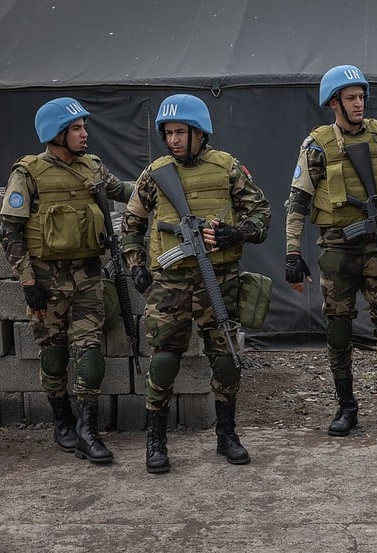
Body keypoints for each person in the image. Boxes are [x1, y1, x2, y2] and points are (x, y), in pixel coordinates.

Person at [121, 94, 270, 473]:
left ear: (199, 133)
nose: (173, 140)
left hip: (218, 281)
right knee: (165, 359)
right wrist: (137, 265)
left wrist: (234, 234)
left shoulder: (228, 169)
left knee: (225, 360)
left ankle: (227, 435)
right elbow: (131, 225)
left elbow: (262, 217)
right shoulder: (155, 173)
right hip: (169, 283)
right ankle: (156, 440)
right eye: (168, 133)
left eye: (180, 132)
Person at [284, 64, 377, 437]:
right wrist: (292, 253)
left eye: (361, 97)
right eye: (351, 98)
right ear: (334, 103)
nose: (359, 104)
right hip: (339, 250)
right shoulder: (318, 145)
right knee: (339, 330)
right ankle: (346, 407)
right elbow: (297, 201)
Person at [0, 97, 135, 464]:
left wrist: (158, 185)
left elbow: (125, 192)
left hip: (89, 277)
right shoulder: (28, 174)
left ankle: (89, 433)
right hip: (46, 281)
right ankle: (63, 422)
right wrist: (28, 282)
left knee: (90, 355)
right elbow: (8, 232)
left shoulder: (92, 167)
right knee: (55, 357)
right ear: (56, 133)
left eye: (83, 127)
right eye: (76, 128)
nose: (84, 134)